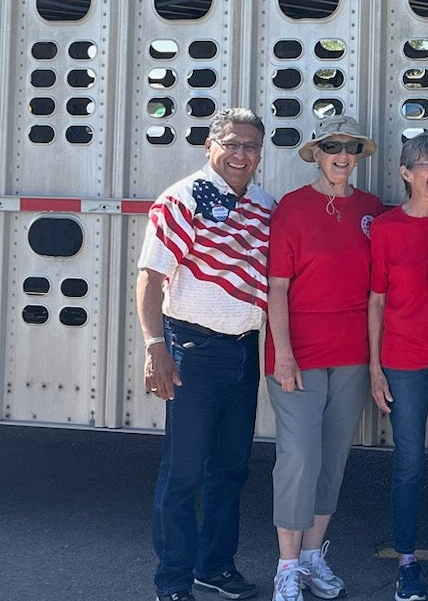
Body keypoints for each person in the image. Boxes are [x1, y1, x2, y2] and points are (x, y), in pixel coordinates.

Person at [136, 107, 276, 601]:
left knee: (231, 468)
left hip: (243, 349)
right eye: (231, 144)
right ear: (209, 146)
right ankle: (172, 582)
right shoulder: (182, 199)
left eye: (251, 147)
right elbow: (150, 278)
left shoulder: (264, 204)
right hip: (192, 349)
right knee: (184, 472)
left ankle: (214, 567)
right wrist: (156, 347)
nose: (241, 155)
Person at [264, 113, 385, 601]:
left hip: (352, 353)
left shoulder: (371, 208)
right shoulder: (292, 208)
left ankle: (314, 557)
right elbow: (276, 289)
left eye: (350, 147)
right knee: (298, 455)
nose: (342, 155)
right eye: (332, 146)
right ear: (316, 153)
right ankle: (287, 565)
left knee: (332, 456)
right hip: (299, 353)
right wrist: (284, 355)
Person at [369, 129, 428, 601]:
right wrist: (374, 366)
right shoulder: (386, 227)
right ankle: (407, 561)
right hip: (403, 361)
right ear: (406, 173)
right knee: (408, 463)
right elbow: (376, 301)